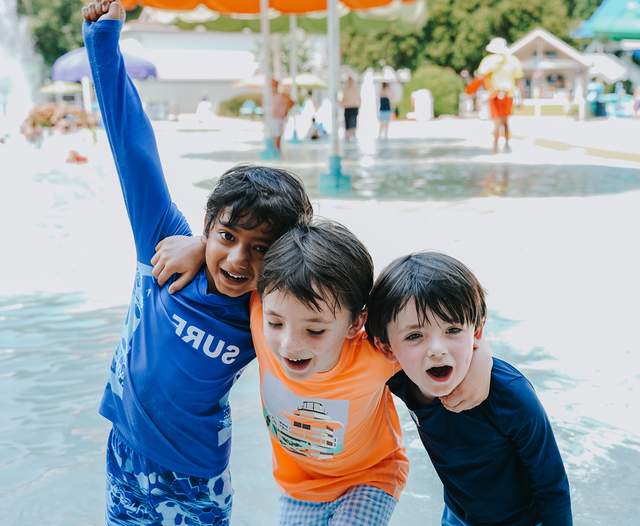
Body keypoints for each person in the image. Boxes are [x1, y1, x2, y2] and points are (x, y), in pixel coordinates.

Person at [81, 2, 312, 524]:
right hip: (124, 453)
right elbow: (132, 148)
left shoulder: (269, 307)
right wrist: (103, 40)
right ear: (208, 227)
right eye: (227, 236)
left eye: (260, 248)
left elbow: (330, 284)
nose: (237, 258)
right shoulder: (161, 248)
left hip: (195, 476)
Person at [156, 220, 493, 525]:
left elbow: (433, 337)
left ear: (356, 322)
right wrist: (200, 246)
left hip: (371, 476)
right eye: (276, 324)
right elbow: (234, 266)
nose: (289, 343)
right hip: (299, 485)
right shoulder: (261, 308)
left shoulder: (375, 353)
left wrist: (482, 355)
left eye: (315, 331)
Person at [366, 251, 573, 526]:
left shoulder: (511, 395)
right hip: (458, 515)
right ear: (387, 347)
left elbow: (552, 486)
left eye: (452, 330)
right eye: (415, 336)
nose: (437, 350)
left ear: (476, 332)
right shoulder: (401, 378)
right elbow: (341, 334)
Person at [477, 37, 523, 154]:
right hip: (508, 94)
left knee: (497, 121)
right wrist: (521, 99)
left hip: (495, 93)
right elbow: (518, 81)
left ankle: (495, 146)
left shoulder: (488, 61)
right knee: (505, 120)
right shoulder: (513, 61)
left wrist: (487, 89)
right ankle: (506, 145)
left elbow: (481, 77)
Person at [272, 78, 294, 153]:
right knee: (276, 135)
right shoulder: (271, 95)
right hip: (274, 118)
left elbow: (292, 103)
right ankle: (277, 150)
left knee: (278, 135)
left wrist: (286, 110)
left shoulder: (282, 95)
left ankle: (277, 150)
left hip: (279, 118)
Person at [341, 76, 361, 142]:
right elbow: (343, 99)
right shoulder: (346, 89)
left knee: (353, 123)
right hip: (348, 107)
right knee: (348, 124)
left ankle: (352, 136)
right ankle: (348, 137)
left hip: (353, 107)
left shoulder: (354, 89)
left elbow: (359, 99)